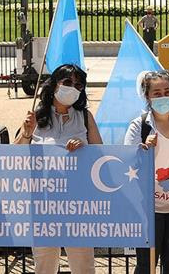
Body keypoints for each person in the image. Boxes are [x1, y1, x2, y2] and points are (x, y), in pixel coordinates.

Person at [15, 64, 102, 274]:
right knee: (44, 266)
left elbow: (101, 155)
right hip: (43, 203)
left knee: (83, 266)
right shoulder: (35, 116)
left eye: (78, 84)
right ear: (54, 84)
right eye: (68, 83)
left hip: (78, 204)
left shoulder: (85, 116)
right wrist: (26, 132)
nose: (73, 88)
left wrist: (84, 149)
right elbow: (14, 157)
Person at [124, 71, 169, 274]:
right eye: (157, 93)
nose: (163, 97)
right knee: (146, 265)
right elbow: (128, 161)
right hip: (149, 207)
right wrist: (144, 149)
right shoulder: (139, 125)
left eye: (167, 91)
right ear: (147, 96)